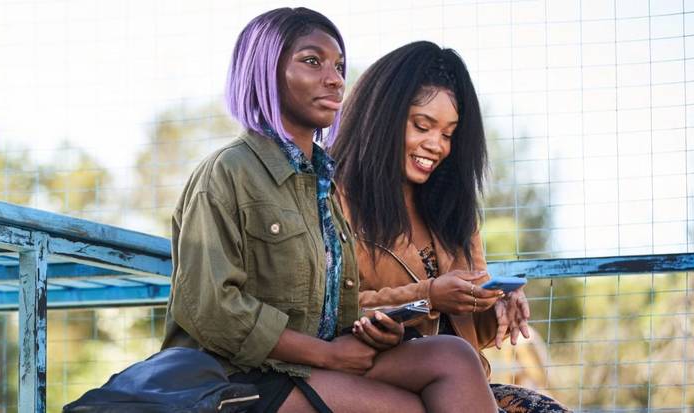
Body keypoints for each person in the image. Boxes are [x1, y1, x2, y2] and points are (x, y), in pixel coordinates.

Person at [162, 8, 499, 413]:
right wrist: (329, 356)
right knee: (407, 408)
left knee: (451, 357)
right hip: (238, 376)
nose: (336, 79)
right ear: (264, 71)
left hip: (308, 363)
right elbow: (211, 310)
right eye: (312, 61)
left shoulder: (319, 183)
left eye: (339, 66)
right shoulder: (227, 172)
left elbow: (340, 308)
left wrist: (382, 329)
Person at [330, 41, 570, 412]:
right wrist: (427, 296)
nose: (436, 145)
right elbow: (330, 311)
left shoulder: (453, 210)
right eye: (422, 126)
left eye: (448, 134)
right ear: (383, 118)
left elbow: (471, 333)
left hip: (459, 377)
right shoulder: (335, 199)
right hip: (376, 373)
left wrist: (495, 304)